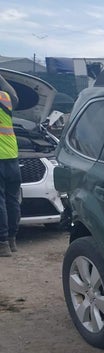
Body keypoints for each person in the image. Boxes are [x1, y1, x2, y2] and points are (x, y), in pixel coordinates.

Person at [0, 73, 21, 257]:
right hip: (12, 156)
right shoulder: (6, 98)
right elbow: (14, 95)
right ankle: (13, 240)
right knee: (12, 200)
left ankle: (3, 243)